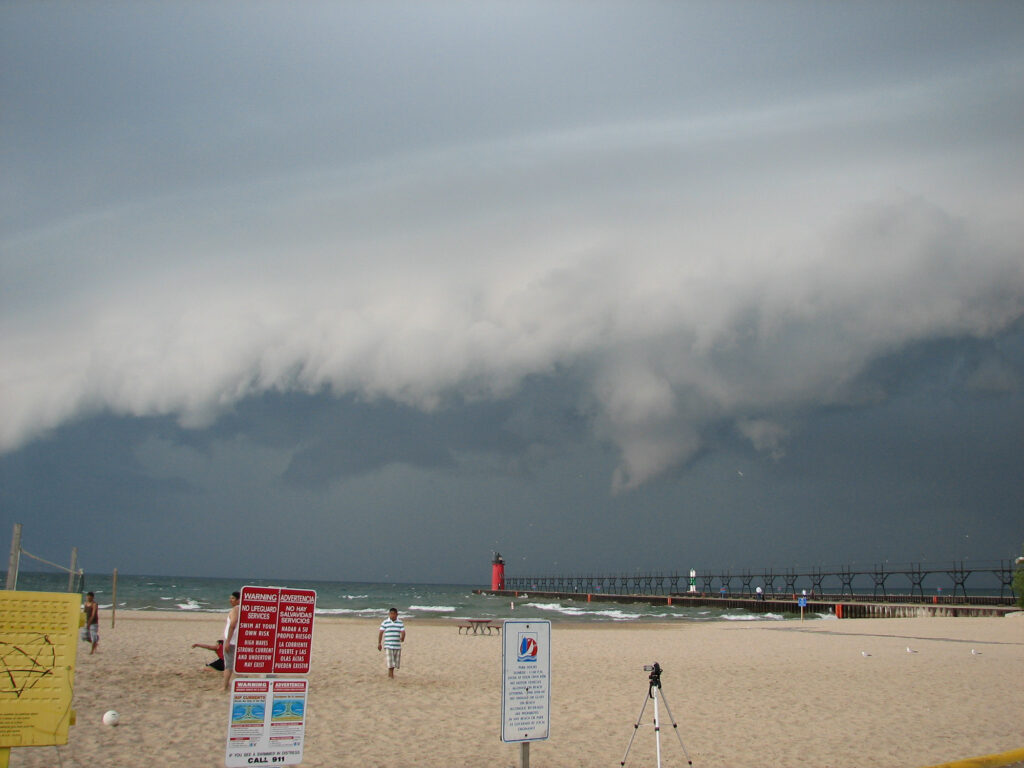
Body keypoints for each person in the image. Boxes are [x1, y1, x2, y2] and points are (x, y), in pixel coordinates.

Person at [377, 607, 405, 679]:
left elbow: (403, 631)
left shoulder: (400, 622)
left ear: (397, 614)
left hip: (397, 645)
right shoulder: (385, 622)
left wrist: (402, 637)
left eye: (393, 614)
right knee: (390, 661)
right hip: (388, 645)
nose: (392, 615)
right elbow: (381, 632)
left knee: (395, 662)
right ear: (389, 614)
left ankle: (390, 674)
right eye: (391, 614)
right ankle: (391, 675)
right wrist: (379, 643)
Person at [223, 591, 240, 691]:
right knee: (234, 663)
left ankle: (224, 686)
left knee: (228, 664)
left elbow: (233, 624)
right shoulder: (243, 609)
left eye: (233, 598)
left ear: (238, 600)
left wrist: (228, 641)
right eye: (230, 598)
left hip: (232, 640)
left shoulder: (235, 609)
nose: (230, 600)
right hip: (236, 640)